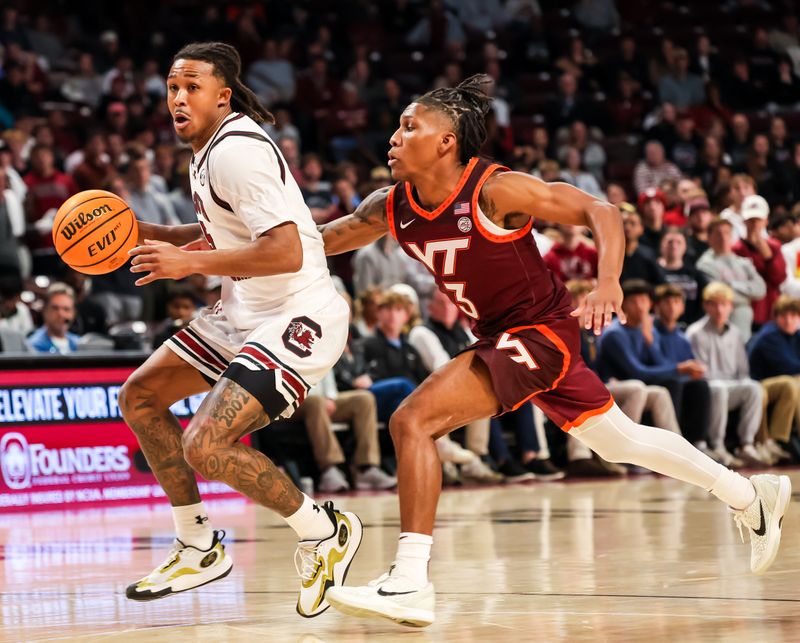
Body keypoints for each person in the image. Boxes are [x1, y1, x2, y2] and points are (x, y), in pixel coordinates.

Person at [316, 75, 790, 628]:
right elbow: (319, 239)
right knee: (619, 441)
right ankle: (749, 495)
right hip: (499, 336)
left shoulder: (495, 190)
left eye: (409, 126)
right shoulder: (390, 206)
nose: (394, 137)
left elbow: (602, 212)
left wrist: (608, 280)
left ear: (446, 141)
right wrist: (223, 244)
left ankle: (410, 580)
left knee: (412, 421)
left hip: (541, 332)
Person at [119, 42, 361, 617]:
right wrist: (152, 233)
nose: (178, 98)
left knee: (205, 443)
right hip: (246, 308)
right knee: (141, 397)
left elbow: (281, 251)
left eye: (192, 87)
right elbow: (226, 235)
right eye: (173, 87)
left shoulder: (237, 153)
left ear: (222, 95)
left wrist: (188, 265)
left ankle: (323, 530)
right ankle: (198, 546)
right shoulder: (208, 150)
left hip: (298, 312)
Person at [697, 218, 766, 342]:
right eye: (718, 233)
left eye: (727, 233)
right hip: (721, 323)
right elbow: (719, 296)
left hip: (745, 324)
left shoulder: (743, 262)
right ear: (709, 237)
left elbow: (761, 289)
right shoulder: (705, 264)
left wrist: (732, 284)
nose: (723, 237)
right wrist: (748, 295)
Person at [27, 282, 80, 354]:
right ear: (45, 310)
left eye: (66, 309)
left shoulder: (80, 344)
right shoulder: (32, 347)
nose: (61, 314)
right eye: (55, 308)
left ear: (73, 313)